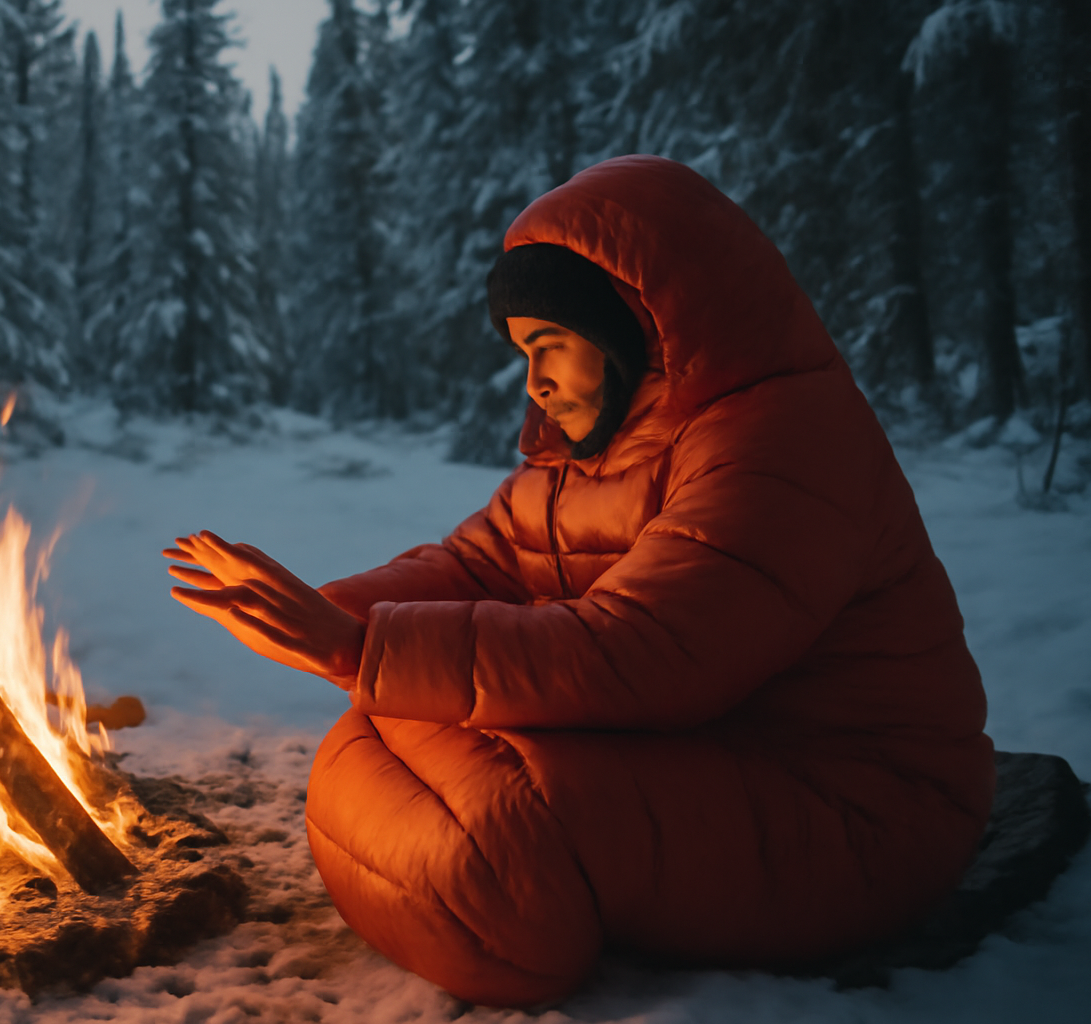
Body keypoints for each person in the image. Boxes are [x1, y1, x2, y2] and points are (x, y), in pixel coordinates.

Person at [164, 155, 994, 1006]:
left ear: (633, 326)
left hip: (857, 802)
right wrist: (326, 614)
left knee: (498, 844)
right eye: (525, 353)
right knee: (399, 731)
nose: (535, 383)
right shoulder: (596, 446)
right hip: (712, 748)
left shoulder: (782, 440)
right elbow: (482, 564)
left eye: (549, 346)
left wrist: (358, 648)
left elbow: (646, 652)